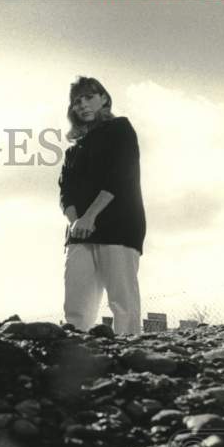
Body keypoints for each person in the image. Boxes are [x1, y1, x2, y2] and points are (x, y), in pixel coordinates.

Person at [58, 76, 146, 336]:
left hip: (118, 225)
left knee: (122, 301)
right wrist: (76, 221)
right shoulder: (73, 151)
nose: (82, 105)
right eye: (77, 101)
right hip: (79, 232)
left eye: (88, 97)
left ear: (104, 99)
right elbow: (65, 192)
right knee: (76, 305)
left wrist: (91, 216)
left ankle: (132, 358)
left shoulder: (120, 129)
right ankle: (77, 359)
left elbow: (120, 176)